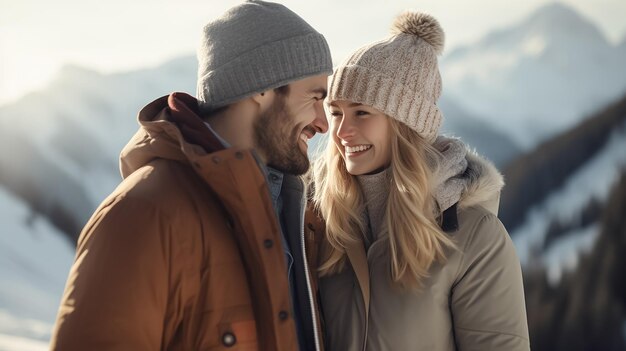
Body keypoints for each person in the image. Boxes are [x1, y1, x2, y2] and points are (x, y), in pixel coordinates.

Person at [50, 1, 332, 350]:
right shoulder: (145, 215)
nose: (323, 123)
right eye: (314, 98)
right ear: (262, 88)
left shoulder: (297, 215)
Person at [310, 11, 530, 350]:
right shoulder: (324, 223)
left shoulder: (475, 238)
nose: (341, 132)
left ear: (405, 124)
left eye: (362, 112)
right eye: (336, 112)